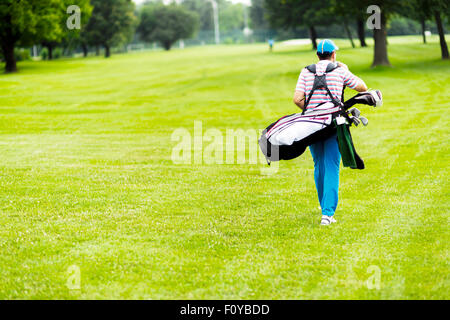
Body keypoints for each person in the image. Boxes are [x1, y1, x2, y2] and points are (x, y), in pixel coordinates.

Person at [293, 39, 368, 226]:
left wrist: (311, 110)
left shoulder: (305, 71)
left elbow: (297, 99)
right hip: (334, 125)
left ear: (317, 55)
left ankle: (323, 206)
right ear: (333, 54)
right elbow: (362, 87)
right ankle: (327, 214)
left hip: (311, 126)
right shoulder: (340, 71)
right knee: (332, 166)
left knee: (319, 165)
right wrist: (347, 69)